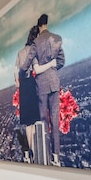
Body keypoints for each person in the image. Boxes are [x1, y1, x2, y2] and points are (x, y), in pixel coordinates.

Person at [23, 13, 65, 166]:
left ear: (39, 25)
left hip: (41, 85)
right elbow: (61, 61)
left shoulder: (35, 43)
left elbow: (26, 64)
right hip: (54, 82)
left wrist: (24, 70)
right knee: (55, 120)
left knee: (43, 121)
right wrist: (53, 69)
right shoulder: (57, 39)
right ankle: (56, 157)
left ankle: (46, 155)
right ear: (46, 24)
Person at [14, 25, 57, 163]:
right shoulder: (34, 51)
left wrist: (19, 83)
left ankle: (32, 154)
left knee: (27, 123)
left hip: (23, 89)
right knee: (35, 122)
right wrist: (51, 64)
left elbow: (16, 73)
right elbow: (37, 69)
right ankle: (36, 152)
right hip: (32, 86)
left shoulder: (20, 52)